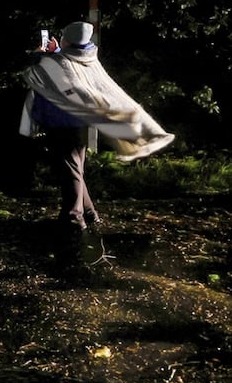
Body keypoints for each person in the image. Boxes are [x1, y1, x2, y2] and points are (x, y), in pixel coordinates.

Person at [19, 21, 174, 231]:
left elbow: (39, 74)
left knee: (71, 171)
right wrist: (55, 51)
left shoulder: (60, 61)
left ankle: (74, 218)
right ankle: (90, 213)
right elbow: (64, 64)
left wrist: (39, 55)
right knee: (75, 169)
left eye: (63, 37)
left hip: (62, 122)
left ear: (68, 40)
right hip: (78, 123)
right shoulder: (85, 56)